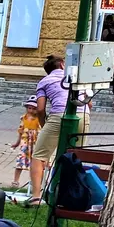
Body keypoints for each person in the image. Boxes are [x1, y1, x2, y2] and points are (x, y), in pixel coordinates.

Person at [27, 54, 86, 206]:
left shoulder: (45, 81)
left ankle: (36, 197)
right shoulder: (77, 77)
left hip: (58, 116)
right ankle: (73, 196)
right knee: (75, 156)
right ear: (62, 65)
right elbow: (89, 103)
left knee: (39, 156)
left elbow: (40, 109)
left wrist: (44, 124)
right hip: (83, 116)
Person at [10, 97, 40, 189]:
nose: (31, 110)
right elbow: (20, 131)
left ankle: (34, 182)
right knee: (20, 160)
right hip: (25, 142)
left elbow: (41, 131)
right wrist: (17, 143)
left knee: (35, 163)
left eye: (34, 108)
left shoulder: (40, 119)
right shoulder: (23, 118)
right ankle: (15, 180)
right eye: (29, 108)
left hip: (35, 143)